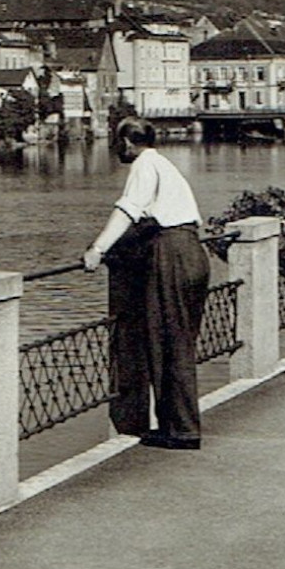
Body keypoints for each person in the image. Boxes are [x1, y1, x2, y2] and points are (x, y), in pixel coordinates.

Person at [82, 116, 210, 450]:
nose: (116, 150)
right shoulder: (165, 165)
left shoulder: (143, 166)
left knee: (168, 341)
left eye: (117, 144)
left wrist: (98, 249)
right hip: (191, 251)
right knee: (180, 340)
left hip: (171, 255)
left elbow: (128, 211)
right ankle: (178, 424)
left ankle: (181, 431)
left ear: (126, 143)